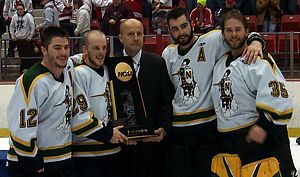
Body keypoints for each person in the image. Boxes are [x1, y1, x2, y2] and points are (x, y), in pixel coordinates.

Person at [5, 26, 125, 177]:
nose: (63, 53)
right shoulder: (31, 81)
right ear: (44, 50)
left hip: (62, 161)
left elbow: (79, 119)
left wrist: (107, 133)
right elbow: (20, 128)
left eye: (66, 47)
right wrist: (32, 162)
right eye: (57, 48)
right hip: (34, 165)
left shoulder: (68, 73)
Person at [162, 7, 265, 177]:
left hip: (207, 130)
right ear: (170, 31)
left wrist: (256, 42)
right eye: (175, 29)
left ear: (191, 23)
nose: (181, 32)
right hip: (178, 132)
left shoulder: (212, 40)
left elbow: (238, 35)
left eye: (184, 26)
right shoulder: (168, 54)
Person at [211, 9, 297, 177]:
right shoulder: (219, 64)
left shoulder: (258, 59)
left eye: (238, 29)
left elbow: (280, 102)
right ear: (223, 34)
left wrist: (263, 128)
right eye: (229, 30)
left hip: (257, 141)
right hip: (228, 145)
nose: (233, 35)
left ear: (247, 32)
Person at [117, 18, 174, 177]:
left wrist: (163, 127)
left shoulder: (157, 63)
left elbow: (166, 101)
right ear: (121, 38)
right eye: (130, 34)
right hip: (122, 145)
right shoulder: (112, 64)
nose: (136, 38)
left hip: (152, 144)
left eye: (139, 34)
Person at [71, 30, 128, 177]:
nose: (101, 52)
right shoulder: (78, 73)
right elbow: (79, 118)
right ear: (85, 50)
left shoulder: (110, 70)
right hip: (87, 155)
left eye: (104, 47)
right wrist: (108, 133)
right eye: (96, 48)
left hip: (114, 150)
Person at [9, 2, 36, 74]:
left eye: (21, 9)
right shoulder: (14, 17)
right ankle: (23, 71)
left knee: (27, 56)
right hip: (18, 39)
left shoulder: (28, 16)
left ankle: (27, 70)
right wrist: (12, 36)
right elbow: (11, 27)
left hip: (26, 40)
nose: (19, 11)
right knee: (21, 56)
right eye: (18, 9)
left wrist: (30, 35)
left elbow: (32, 26)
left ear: (24, 9)